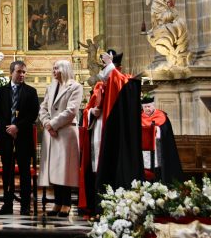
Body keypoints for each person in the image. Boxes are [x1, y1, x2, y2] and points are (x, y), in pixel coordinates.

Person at [78, 49, 143, 214]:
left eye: (110, 66)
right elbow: (87, 110)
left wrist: (111, 67)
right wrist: (92, 112)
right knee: (95, 165)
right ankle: (96, 202)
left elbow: (116, 81)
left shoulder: (124, 81)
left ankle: (113, 202)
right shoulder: (99, 86)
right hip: (97, 131)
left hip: (114, 132)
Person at [0, 60, 39, 215]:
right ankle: (7, 204)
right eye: (19, 72)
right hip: (6, 136)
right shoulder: (1, 91)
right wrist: (7, 127)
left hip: (23, 136)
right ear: (11, 72)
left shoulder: (31, 92)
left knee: (24, 172)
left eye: (24, 72)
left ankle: (25, 205)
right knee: (7, 172)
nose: (22, 75)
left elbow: (33, 114)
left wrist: (17, 126)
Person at [38, 60, 82, 217]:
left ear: (64, 69)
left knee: (65, 169)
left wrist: (52, 125)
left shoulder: (75, 87)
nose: (53, 71)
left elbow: (71, 111)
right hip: (52, 133)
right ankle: (57, 202)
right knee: (54, 169)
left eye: (56, 68)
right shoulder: (51, 87)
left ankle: (66, 203)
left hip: (66, 132)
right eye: (53, 68)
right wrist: (46, 123)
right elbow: (43, 108)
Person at [140, 95, 183, 184]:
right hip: (145, 149)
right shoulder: (140, 117)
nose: (147, 109)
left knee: (159, 166)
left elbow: (166, 132)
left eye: (149, 106)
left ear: (153, 105)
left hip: (159, 146)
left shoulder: (161, 116)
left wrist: (157, 130)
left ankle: (160, 183)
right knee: (146, 167)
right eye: (145, 107)